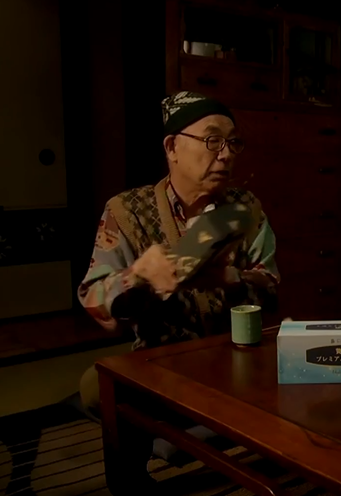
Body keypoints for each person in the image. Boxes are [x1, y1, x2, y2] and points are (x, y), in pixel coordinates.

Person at [78, 91, 280, 416]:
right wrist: (137, 276)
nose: (226, 154)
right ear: (172, 147)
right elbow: (94, 301)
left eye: (233, 142)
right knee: (94, 387)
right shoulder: (126, 210)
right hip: (163, 359)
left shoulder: (246, 208)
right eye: (213, 141)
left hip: (238, 352)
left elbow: (271, 289)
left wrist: (229, 279)